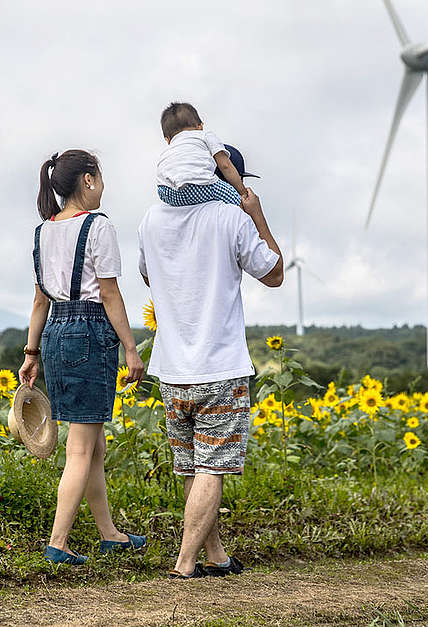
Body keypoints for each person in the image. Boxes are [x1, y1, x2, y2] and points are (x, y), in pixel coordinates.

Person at [137, 166, 285, 578]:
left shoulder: (152, 219)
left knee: (192, 467)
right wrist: (256, 214)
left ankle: (215, 555)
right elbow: (274, 273)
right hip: (219, 368)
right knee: (211, 469)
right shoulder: (232, 218)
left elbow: (148, 276)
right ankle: (185, 565)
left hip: (171, 371)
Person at [19, 149, 146, 565]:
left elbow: (40, 301)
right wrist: (131, 347)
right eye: (101, 178)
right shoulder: (97, 227)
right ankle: (58, 543)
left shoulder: (42, 232)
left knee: (93, 446)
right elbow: (109, 293)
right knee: (80, 448)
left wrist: (32, 352)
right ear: (88, 180)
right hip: (90, 333)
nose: (104, 187)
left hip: (55, 333)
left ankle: (110, 534)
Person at [156, 102, 248, 208]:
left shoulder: (168, 150)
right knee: (238, 203)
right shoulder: (205, 135)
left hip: (167, 192)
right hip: (196, 187)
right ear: (200, 126)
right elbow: (225, 165)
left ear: (167, 139)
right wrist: (242, 193)